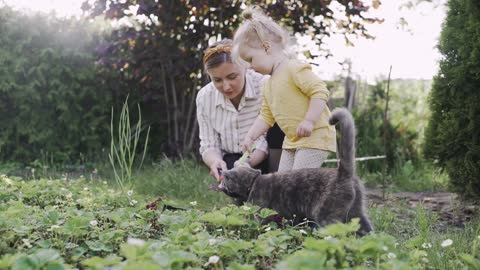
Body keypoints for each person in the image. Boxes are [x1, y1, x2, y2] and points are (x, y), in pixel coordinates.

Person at [232, 7, 337, 172]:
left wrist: (309, 120)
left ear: (266, 47)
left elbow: (320, 91)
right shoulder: (267, 84)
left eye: (250, 59)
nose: (250, 67)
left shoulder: (293, 68)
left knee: (296, 183)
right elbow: (266, 116)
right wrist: (251, 136)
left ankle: (316, 197)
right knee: (284, 183)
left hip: (314, 136)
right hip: (292, 140)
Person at [196, 39, 284, 182]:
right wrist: (215, 161)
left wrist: (247, 163)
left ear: (245, 67)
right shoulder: (204, 97)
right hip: (232, 160)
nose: (226, 87)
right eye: (217, 80)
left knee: (279, 128)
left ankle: (278, 181)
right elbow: (208, 143)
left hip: (266, 156)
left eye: (232, 77)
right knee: (244, 199)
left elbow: (264, 138)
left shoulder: (263, 84)